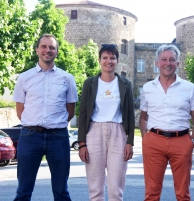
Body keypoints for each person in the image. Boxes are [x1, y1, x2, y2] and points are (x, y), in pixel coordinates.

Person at [12, 34, 78, 201]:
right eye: (44, 46)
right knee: (23, 191)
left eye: (52, 47)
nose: (47, 50)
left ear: (56, 52)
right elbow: (20, 111)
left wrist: (55, 124)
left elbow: (70, 111)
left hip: (58, 137)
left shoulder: (67, 79)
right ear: (37, 50)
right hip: (29, 136)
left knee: (61, 191)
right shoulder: (24, 78)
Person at [139, 44, 194, 201]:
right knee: (151, 192)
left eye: (172, 60)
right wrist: (145, 138)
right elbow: (143, 117)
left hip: (181, 141)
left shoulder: (189, 87)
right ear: (157, 63)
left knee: (183, 193)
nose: (168, 63)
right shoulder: (147, 88)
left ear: (178, 64)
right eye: (164, 59)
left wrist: (192, 141)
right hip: (154, 141)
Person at [77, 44, 135, 201]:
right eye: (105, 58)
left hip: (118, 133)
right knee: (95, 189)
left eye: (112, 58)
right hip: (94, 132)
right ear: (99, 60)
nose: (108, 61)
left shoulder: (125, 84)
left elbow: (130, 113)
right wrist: (82, 143)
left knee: (116, 189)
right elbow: (82, 114)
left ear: (117, 60)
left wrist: (130, 142)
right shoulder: (89, 83)